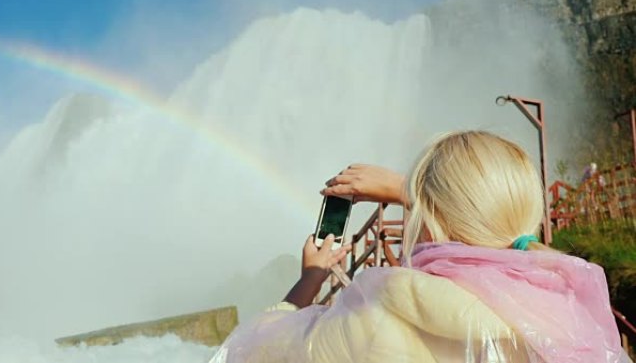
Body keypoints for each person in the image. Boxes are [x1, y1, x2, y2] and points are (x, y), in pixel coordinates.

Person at [209, 131, 631, 363]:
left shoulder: (383, 315)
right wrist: (413, 193)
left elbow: (248, 353)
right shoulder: (571, 313)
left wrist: (309, 282)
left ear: (423, 221)